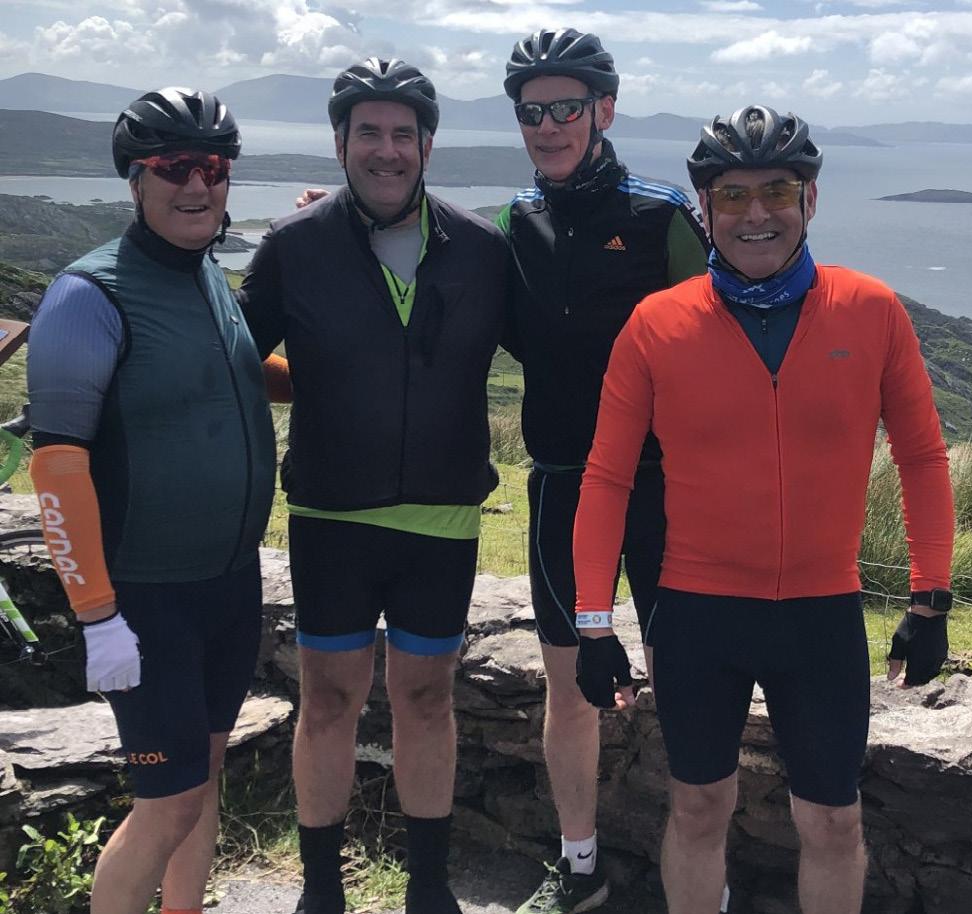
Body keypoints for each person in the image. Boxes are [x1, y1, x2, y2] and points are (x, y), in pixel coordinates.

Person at [573, 105, 955, 914]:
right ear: (704, 207)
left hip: (821, 611)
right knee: (697, 807)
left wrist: (930, 597)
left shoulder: (871, 310)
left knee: (834, 822)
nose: (756, 214)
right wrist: (594, 623)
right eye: (732, 195)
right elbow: (606, 477)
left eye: (777, 191)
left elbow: (922, 456)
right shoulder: (657, 325)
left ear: (809, 199)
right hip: (697, 609)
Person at [236, 58, 509, 914]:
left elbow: (563, 350)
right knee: (327, 700)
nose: (386, 150)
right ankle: (322, 890)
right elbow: (232, 358)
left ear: (427, 145)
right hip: (332, 513)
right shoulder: (293, 247)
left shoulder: (483, 251)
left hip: (441, 516)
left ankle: (429, 888)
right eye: (368, 133)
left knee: (427, 698)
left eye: (402, 134)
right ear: (339, 143)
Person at [26, 88, 276, 914]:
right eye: (174, 167)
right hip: (147, 598)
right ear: (135, 179)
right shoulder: (88, 295)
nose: (197, 184)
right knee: (165, 805)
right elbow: (58, 467)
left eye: (214, 165)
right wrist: (98, 616)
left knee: (202, 778)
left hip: (229, 583)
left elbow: (236, 377)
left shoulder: (208, 277)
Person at [496, 28, 709, 914]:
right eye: (532, 112)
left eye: (566, 108)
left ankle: (700, 874)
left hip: (663, 488)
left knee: (683, 684)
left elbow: (725, 338)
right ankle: (579, 864)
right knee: (568, 689)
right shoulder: (516, 221)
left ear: (604, 111)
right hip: (560, 482)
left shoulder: (661, 216)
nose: (548, 126)